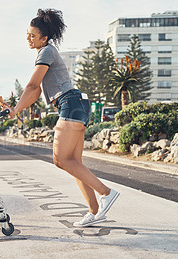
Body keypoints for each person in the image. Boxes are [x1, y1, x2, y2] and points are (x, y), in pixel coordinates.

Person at [7, 9, 119, 227]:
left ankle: (106, 193)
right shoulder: (47, 52)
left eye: (32, 35)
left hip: (69, 105)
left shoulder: (46, 52)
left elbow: (31, 85)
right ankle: (95, 212)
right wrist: (17, 107)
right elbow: (36, 92)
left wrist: (15, 110)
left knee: (61, 160)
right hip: (76, 105)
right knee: (73, 163)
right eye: (27, 34)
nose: (28, 38)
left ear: (44, 37)